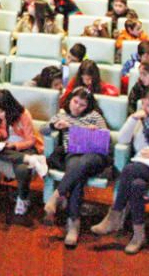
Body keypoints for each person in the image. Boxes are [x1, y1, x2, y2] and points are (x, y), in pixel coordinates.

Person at [92, 89, 149, 254]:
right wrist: (132, 119)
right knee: (136, 185)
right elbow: (122, 139)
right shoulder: (139, 120)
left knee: (128, 169)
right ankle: (138, 235)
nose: (145, 107)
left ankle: (115, 215)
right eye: (143, 103)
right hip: (140, 167)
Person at [42, 87, 110, 248]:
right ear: (70, 100)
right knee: (77, 176)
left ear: (88, 106)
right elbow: (42, 129)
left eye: (82, 105)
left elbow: (105, 136)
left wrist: (94, 130)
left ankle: (57, 195)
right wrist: (55, 126)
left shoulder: (94, 116)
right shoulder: (62, 115)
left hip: (94, 156)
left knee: (81, 165)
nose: (77, 107)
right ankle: (73, 223)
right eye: (75, 102)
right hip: (73, 153)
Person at [0, 89, 47, 220]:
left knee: (22, 169)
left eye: (0, 111)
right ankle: (31, 160)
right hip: (7, 148)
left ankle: (22, 199)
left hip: (25, 147)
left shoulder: (23, 115)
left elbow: (31, 140)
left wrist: (15, 146)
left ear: (9, 108)